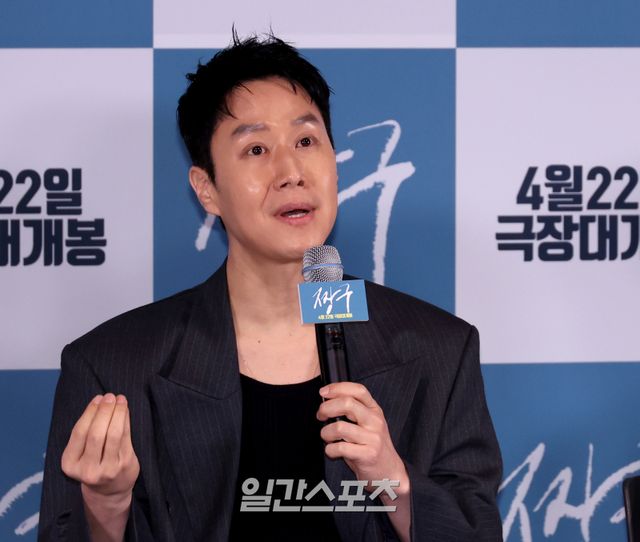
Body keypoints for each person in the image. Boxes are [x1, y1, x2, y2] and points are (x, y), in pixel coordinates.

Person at [39, 34, 503, 542]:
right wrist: (106, 507)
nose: (290, 173)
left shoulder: (441, 351)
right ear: (207, 189)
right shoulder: (113, 368)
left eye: (306, 142)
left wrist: (395, 481)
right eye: (256, 149)